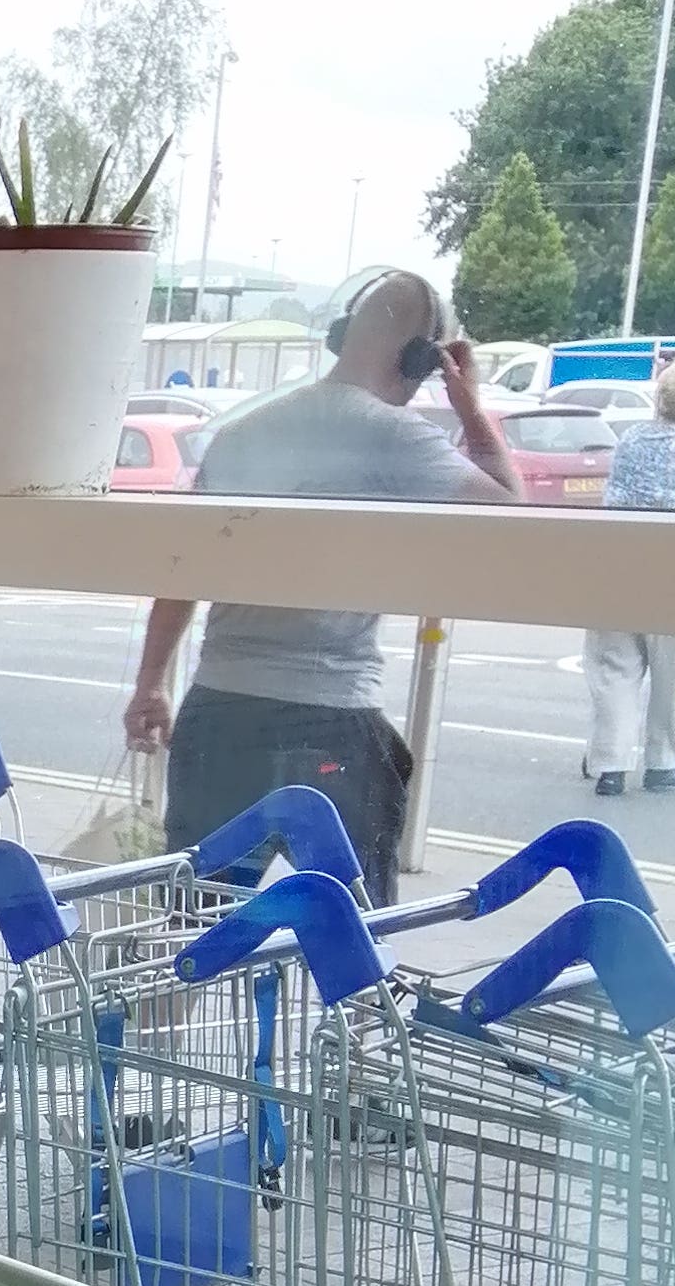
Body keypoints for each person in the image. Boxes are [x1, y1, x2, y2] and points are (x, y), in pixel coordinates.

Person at [123, 271, 516, 899]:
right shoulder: (397, 435)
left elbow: (183, 571)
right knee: (354, 934)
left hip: (222, 710)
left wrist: (150, 686)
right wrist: (468, 401)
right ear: (422, 359)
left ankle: (178, 1000)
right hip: (333, 719)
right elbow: (510, 511)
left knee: (194, 931)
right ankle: (354, 1002)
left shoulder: (240, 434)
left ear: (341, 338)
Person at [586, 359, 675, 794]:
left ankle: (610, 766)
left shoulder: (630, 442)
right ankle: (662, 762)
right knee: (670, 673)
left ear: (658, 399)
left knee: (614, 671)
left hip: (616, 573)